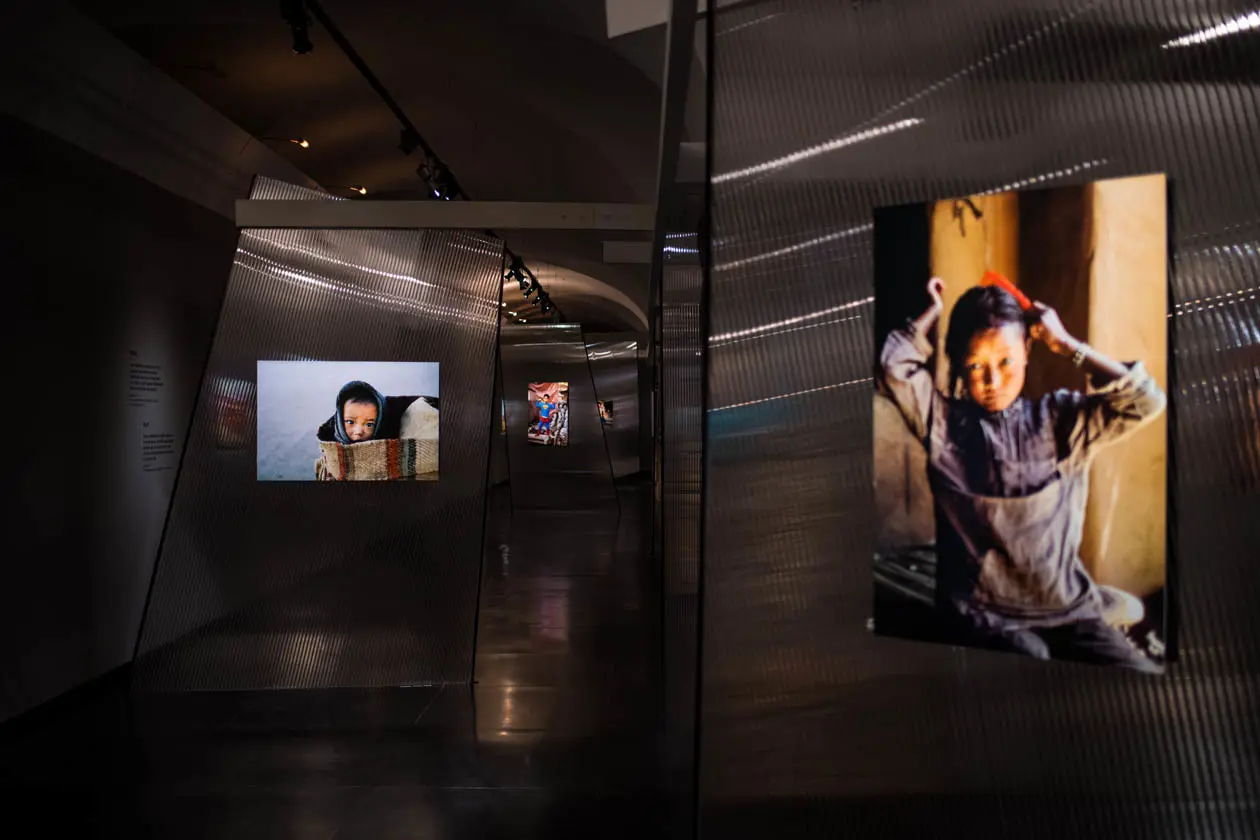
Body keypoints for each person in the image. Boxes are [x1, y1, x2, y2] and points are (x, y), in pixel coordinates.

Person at [878, 276, 1167, 673]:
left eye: (1005, 361)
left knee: (1140, 672)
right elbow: (894, 367)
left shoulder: (1062, 422)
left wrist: (1068, 345)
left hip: (1068, 608)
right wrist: (932, 312)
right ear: (960, 364)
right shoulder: (942, 423)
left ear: (1028, 351)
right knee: (1031, 656)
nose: (992, 381)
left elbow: (1145, 401)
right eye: (975, 365)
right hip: (980, 612)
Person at [322, 380, 384, 445]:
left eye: (369, 425)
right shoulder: (329, 452)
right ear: (339, 421)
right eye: (350, 422)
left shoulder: (388, 450)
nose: (358, 432)